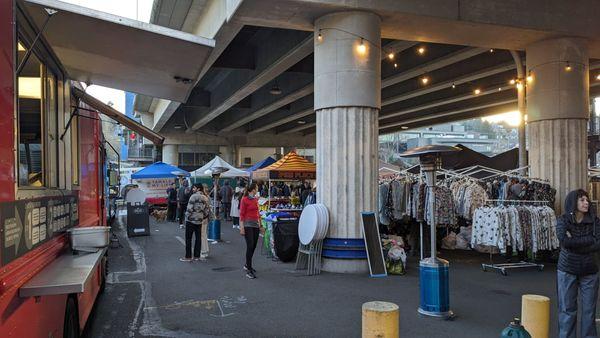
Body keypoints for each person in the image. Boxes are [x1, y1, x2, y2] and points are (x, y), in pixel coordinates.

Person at [556, 189, 600, 338]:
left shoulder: (595, 221)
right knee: (567, 310)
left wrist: (574, 243)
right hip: (567, 269)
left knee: (589, 311)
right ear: (573, 201)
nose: (586, 202)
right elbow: (564, 241)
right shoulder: (563, 220)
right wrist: (588, 241)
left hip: (590, 270)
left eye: (587, 200)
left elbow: (598, 243)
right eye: (582, 200)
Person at [180, 184, 213, 262]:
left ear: (198, 189)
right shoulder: (205, 198)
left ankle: (188, 257)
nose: (193, 189)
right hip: (199, 221)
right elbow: (206, 210)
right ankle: (196, 256)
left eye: (194, 187)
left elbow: (189, 209)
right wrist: (201, 216)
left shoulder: (193, 196)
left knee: (188, 239)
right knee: (198, 239)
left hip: (191, 220)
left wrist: (187, 217)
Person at [239, 182, 262, 279]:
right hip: (248, 224)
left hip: (255, 224)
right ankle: (248, 270)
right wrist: (242, 227)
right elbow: (241, 214)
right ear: (253, 189)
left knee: (254, 246)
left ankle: (247, 265)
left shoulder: (255, 199)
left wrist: (260, 225)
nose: (257, 189)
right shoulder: (244, 199)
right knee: (250, 245)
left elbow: (258, 212)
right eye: (256, 188)